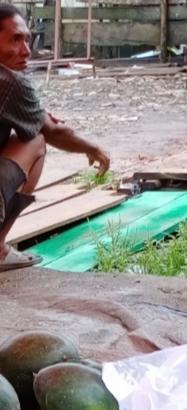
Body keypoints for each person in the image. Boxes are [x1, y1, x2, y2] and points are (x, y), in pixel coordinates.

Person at [0, 3, 110, 271]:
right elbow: (53, 132)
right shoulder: (9, 81)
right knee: (35, 140)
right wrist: (94, 148)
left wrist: (33, 114)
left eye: (27, 39)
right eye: (15, 39)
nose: (26, 50)